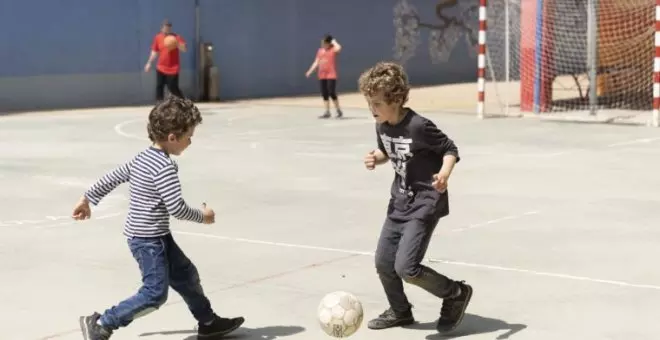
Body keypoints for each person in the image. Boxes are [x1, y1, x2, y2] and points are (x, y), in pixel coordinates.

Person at [73, 97, 245, 339]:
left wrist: (87, 198)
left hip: (155, 236)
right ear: (173, 137)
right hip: (147, 241)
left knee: (186, 276)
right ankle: (102, 322)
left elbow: (112, 177)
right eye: (189, 136)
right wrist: (203, 217)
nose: (191, 141)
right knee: (155, 293)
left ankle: (208, 321)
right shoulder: (164, 168)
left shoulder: (142, 157)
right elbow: (177, 208)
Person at [359, 62, 473, 333]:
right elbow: (389, 151)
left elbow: (450, 148)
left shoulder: (419, 126)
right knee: (384, 263)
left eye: (376, 103)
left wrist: (444, 174)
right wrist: (377, 157)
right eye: (369, 103)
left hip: (424, 203)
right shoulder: (382, 125)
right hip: (398, 202)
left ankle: (455, 293)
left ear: (396, 99)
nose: (372, 109)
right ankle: (400, 312)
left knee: (406, 267)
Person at [144, 19, 186, 102]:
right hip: (161, 67)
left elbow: (184, 49)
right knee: (159, 86)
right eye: (166, 26)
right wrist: (149, 63)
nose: (167, 28)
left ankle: (183, 102)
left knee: (173, 87)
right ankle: (159, 104)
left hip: (173, 68)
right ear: (162, 28)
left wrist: (177, 44)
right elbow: (154, 51)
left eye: (169, 27)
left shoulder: (176, 37)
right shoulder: (158, 37)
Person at [305, 34, 343, 119]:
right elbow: (316, 62)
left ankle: (338, 110)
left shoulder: (333, 50)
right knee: (324, 93)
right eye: (322, 43)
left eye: (324, 43)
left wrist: (334, 41)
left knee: (331, 92)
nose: (322, 44)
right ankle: (327, 111)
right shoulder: (320, 51)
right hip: (322, 75)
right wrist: (310, 71)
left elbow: (339, 48)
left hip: (331, 75)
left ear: (329, 43)